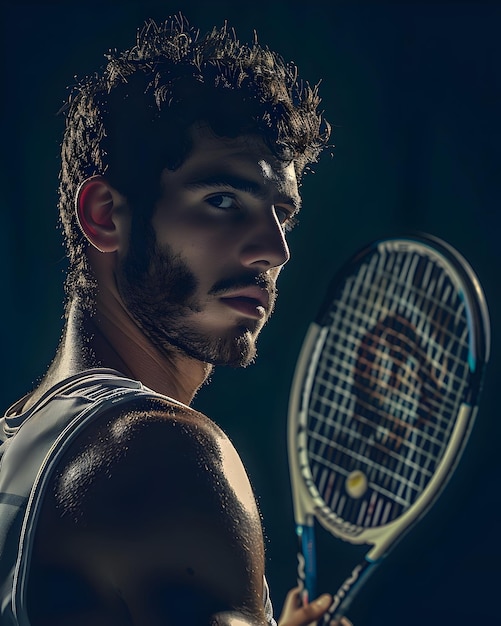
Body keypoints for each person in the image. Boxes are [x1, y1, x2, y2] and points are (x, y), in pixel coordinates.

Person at [0, 13, 352, 626]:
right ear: (105, 215)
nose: (273, 249)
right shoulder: (164, 454)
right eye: (222, 201)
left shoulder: (17, 443)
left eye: (282, 215)